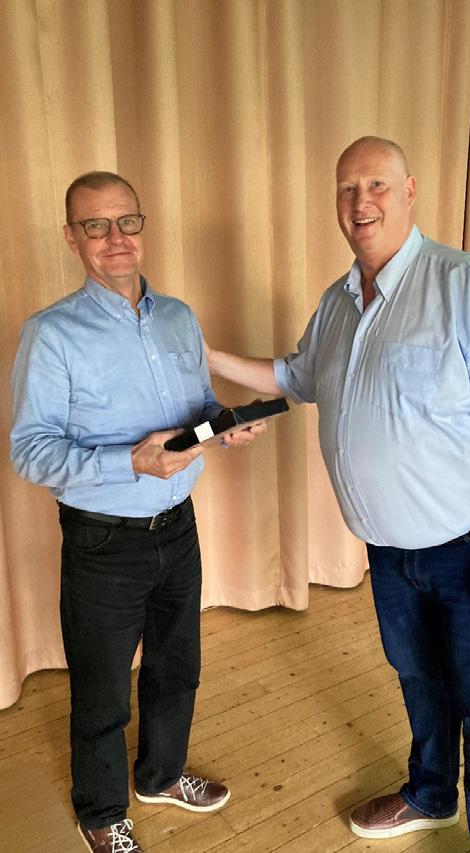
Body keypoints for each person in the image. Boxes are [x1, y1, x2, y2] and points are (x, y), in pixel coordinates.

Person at [205, 137, 470, 853]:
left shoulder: (469, 288)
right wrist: (204, 356)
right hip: (387, 551)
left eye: (376, 184)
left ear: (408, 191)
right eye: (347, 188)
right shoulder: (338, 301)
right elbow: (295, 378)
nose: (361, 202)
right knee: (418, 678)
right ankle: (430, 794)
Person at [10, 171, 266, 853]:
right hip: (102, 543)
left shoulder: (179, 316)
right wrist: (130, 461)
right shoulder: (51, 333)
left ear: (142, 227)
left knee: (176, 667)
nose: (115, 238)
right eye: (95, 225)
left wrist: (223, 422)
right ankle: (100, 812)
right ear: (72, 238)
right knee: (102, 691)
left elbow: (196, 406)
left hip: (178, 527)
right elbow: (30, 451)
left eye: (126, 221)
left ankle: (161, 775)